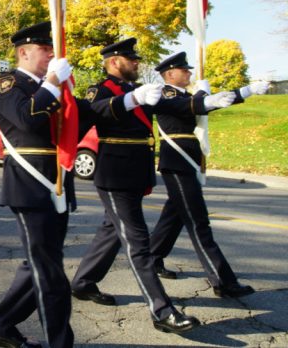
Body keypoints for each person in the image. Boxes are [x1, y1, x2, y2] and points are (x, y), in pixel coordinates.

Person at [69, 38, 236, 334]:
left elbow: (178, 104)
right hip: (115, 175)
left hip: (136, 173)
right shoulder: (103, 89)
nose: (136, 63)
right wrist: (132, 101)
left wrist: (209, 101)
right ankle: (161, 310)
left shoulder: (137, 90)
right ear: (114, 61)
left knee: (112, 230)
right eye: (130, 59)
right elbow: (97, 111)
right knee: (137, 240)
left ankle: (82, 282)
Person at [0, 22, 77, 348]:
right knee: (50, 274)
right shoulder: (8, 83)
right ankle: (60, 343)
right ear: (24, 52)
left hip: (58, 184)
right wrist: (53, 82)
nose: (52, 54)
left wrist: (125, 102)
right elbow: (26, 118)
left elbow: (77, 121)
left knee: (39, 263)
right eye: (45, 49)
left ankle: (1, 325)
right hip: (29, 185)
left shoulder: (54, 87)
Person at [149, 52, 268, 297]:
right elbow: (189, 107)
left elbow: (206, 105)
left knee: (174, 217)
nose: (190, 73)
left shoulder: (186, 95)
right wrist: (204, 96)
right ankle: (223, 281)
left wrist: (247, 90)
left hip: (188, 162)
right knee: (198, 223)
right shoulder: (166, 93)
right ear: (170, 74)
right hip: (178, 162)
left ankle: (152, 258)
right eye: (185, 70)